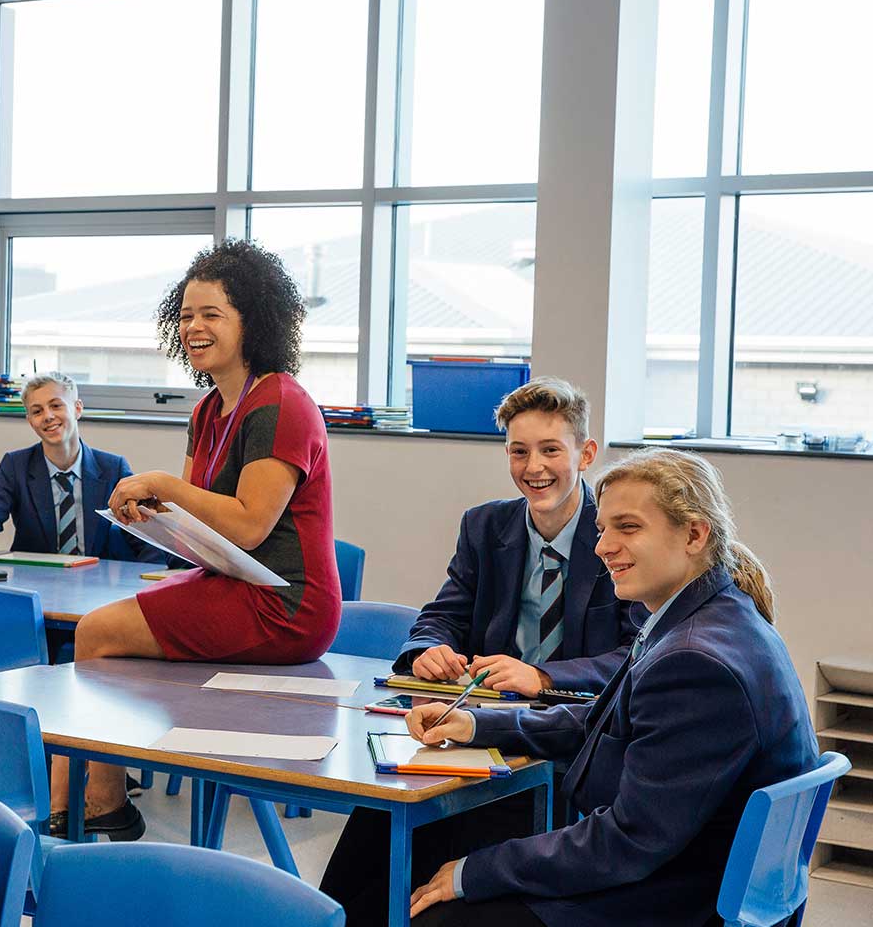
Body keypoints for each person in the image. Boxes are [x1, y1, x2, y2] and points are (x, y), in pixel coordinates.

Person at [322, 447, 818, 927]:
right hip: (680, 868)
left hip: (675, 897)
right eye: (602, 529)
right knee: (390, 836)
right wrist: (475, 722)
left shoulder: (695, 659)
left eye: (628, 528)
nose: (602, 547)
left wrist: (476, 872)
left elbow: (627, 841)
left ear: (694, 534)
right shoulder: (708, 617)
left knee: (437, 903)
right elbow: (602, 719)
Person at [49, 239, 342, 840]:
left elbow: (250, 523)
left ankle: (91, 808)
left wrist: (163, 485)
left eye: (212, 314)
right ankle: (86, 807)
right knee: (103, 634)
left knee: (96, 632)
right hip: (236, 583)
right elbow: (204, 530)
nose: (193, 326)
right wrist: (153, 514)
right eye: (185, 314)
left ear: (251, 320)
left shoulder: (282, 403)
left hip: (286, 603)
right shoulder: (209, 409)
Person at [395, 378, 639, 696]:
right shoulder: (483, 527)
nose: (534, 467)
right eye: (520, 452)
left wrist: (543, 677)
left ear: (586, 454)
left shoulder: (619, 535)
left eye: (551, 450)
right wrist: (428, 649)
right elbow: (445, 616)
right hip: (492, 711)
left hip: (581, 719)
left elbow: (639, 652)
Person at [0, 372, 160, 565]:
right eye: (37, 411)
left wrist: (150, 584)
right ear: (30, 421)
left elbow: (146, 537)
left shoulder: (113, 468)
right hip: (35, 581)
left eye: (56, 406)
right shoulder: (15, 466)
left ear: (78, 408)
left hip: (94, 586)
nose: (48, 416)